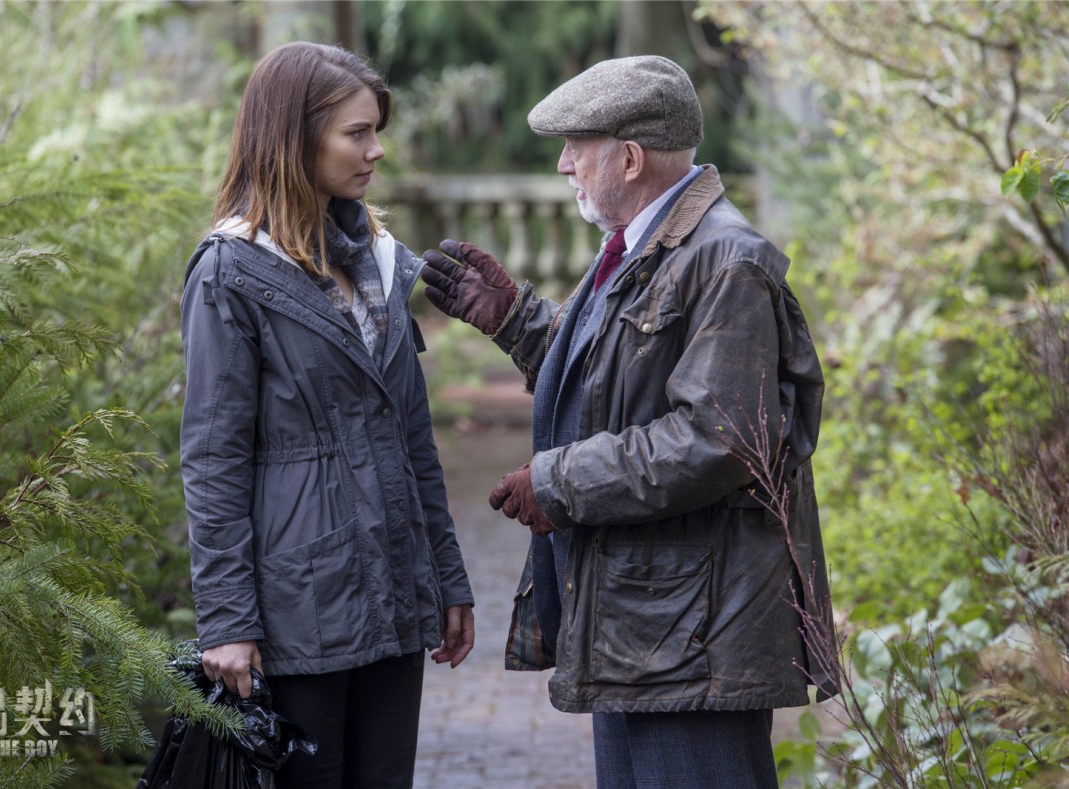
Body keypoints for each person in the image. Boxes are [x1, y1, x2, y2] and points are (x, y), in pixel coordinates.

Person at [421, 55, 838, 788]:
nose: (562, 166)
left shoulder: (725, 261)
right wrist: (519, 322)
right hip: (649, 622)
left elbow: (717, 437)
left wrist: (556, 481)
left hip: (695, 636)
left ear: (630, 156)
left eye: (575, 148)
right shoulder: (648, 244)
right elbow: (628, 378)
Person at [179, 42, 475, 788]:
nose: (377, 151)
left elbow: (413, 436)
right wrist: (226, 619)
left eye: (376, 130)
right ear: (292, 135)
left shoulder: (377, 260)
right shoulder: (230, 273)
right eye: (357, 133)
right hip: (297, 609)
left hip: (393, 596)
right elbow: (213, 459)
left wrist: (446, 577)